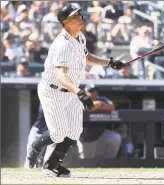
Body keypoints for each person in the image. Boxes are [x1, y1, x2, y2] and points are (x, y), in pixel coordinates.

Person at [26, 4, 125, 177]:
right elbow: (61, 76)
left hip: (70, 91)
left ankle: (51, 165)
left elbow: (87, 57)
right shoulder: (62, 44)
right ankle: (36, 146)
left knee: (74, 131)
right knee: (58, 134)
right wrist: (80, 92)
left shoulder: (80, 37)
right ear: (65, 22)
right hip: (53, 91)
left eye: (79, 13)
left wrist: (109, 62)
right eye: (74, 16)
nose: (80, 17)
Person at [80, 84, 121, 159]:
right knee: (86, 161)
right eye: (91, 91)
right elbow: (86, 107)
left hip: (101, 134)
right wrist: (97, 105)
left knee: (115, 138)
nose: (94, 93)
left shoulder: (102, 99)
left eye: (95, 91)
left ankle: (109, 163)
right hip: (84, 137)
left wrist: (100, 104)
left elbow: (112, 107)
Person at [24, 104, 48, 168]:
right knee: (30, 155)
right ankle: (28, 172)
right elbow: (43, 113)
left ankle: (47, 169)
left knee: (47, 158)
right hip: (37, 131)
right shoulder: (44, 101)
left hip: (51, 133)